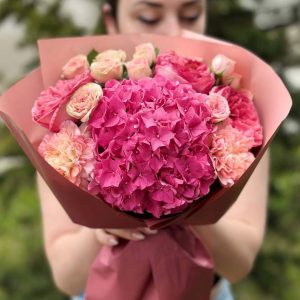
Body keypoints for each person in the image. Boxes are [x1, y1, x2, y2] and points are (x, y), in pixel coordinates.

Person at [36, 0, 269, 299]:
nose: (174, 30)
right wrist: (105, 226)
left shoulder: (237, 118)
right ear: (111, 20)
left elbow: (239, 265)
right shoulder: (72, 125)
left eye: (190, 14)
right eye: (148, 17)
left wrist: (191, 202)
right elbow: (67, 279)